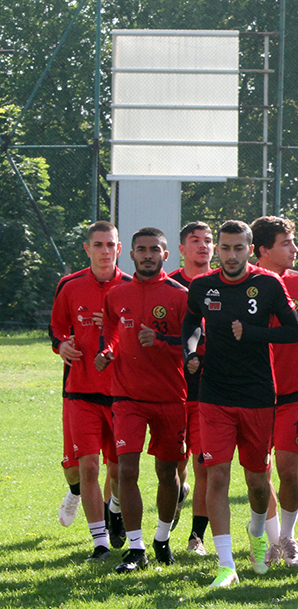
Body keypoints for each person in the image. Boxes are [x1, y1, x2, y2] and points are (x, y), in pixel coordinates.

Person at [182, 219, 298, 588]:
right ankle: (225, 565)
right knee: (216, 475)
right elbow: (191, 325)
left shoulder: (268, 284)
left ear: (250, 249)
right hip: (215, 394)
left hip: (257, 395)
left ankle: (256, 533)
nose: (230, 255)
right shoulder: (203, 286)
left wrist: (251, 333)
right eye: (224, 248)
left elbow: (292, 330)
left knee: (256, 483)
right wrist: (190, 352)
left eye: (238, 248)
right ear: (217, 250)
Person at [96, 228, 189, 572]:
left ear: (166, 255)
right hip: (127, 397)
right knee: (126, 470)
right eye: (141, 250)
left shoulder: (180, 296)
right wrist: (106, 351)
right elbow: (111, 331)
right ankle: (136, 549)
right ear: (131, 254)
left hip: (169, 396)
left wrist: (163, 340)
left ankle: (162, 539)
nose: (148, 255)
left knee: (167, 472)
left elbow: (197, 343)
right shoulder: (117, 294)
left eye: (154, 250)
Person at [50, 221, 130, 560]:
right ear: (87, 249)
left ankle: (114, 510)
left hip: (121, 393)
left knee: (119, 470)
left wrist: (114, 332)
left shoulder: (130, 286)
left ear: (119, 248)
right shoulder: (69, 285)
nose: (104, 251)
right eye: (98, 245)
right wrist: (62, 347)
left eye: (110, 245)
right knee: (86, 468)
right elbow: (56, 330)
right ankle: (99, 543)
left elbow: (143, 337)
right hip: (80, 390)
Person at [251, 216, 298, 567]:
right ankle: (269, 540)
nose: (295, 249)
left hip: (294, 390)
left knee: (291, 468)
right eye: (286, 243)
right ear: (264, 249)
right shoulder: (244, 283)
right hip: (252, 391)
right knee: (258, 473)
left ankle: (287, 538)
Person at [169, 222, 214, 555]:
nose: (203, 246)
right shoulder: (168, 286)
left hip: (206, 391)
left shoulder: (221, 285)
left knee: (204, 464)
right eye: (195, 241)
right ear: (182, 248)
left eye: (208, 241)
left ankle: (195, 537)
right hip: (170, 390)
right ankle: (176, 493)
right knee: (174, 464)